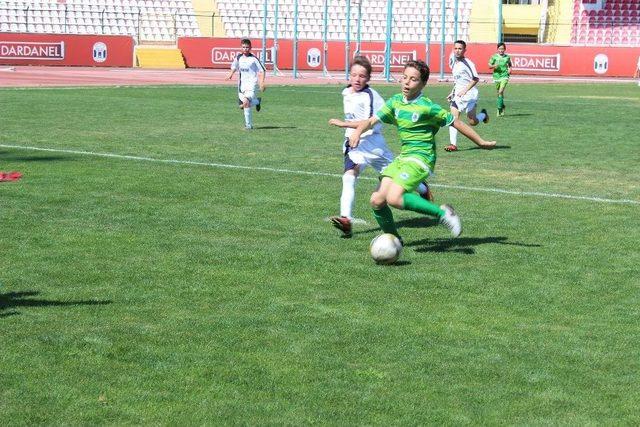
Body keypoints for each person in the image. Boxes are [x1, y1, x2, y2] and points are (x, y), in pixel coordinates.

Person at [349, 60, 496, 243]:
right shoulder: (395, 102)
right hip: (403, 158)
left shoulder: (428, 107)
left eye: (413, 79)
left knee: (394, 198)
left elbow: (456, 122)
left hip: (422, 157)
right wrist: (356, 132)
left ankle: (444, 213)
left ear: (423, 84)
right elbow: (371, 121)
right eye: (404, 78)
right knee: (377, 200)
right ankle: (395, 240)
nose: (406, 82)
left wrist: (480, 142)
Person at [328, 56, 434, 238]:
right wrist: (351, 133)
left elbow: (368, 122)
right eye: (353, 75)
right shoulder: (346, 92)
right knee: (349, 177)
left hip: (374, 145)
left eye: (362, 76)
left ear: (368, 78)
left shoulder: (371, 96)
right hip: (355, 145)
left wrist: (345, 125)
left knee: (396, 176)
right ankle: (346, 219)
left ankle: (422, 188)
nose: (357, 79)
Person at [444, 40, 490, 152]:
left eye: (460, 49)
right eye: (455, 48)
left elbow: (475, 78)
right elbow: (458, 80)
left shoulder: (468, 63)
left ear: (464, 50)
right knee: (453, 119)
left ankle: (483, 115)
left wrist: (465, 90)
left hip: (470, 94)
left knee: (472, 121)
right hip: (458, 95)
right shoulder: (453, 62)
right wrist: (453, 91)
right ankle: (453, 144)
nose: (457, 51)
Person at [225, 38, 266, 130]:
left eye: (247, 47)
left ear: (250, 47)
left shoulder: (254, 59)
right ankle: (257, 101)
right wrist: (231, 74)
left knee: (246, 102)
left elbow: (262, 70)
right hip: (241, 86)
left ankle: (248, 125)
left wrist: (262, 82)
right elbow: (234, 67)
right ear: (241, 48)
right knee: (242, 106)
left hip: (252, 85)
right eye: (243, 47)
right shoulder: (238, 58)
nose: (245, 49)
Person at [488, 42, 512, 117]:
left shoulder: (507, 57)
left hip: (504, 76)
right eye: (500, 49)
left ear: (505, 49)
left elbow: (510, 65)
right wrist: (494, 66)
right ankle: (502, 106)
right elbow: (489, 65)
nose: (501, 50)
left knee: (501, 91)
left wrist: (509, 70)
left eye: (502, 49)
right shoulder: (494, 57)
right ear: (497, 49)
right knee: (499, 93)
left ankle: (499, 108)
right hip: (496, 76)